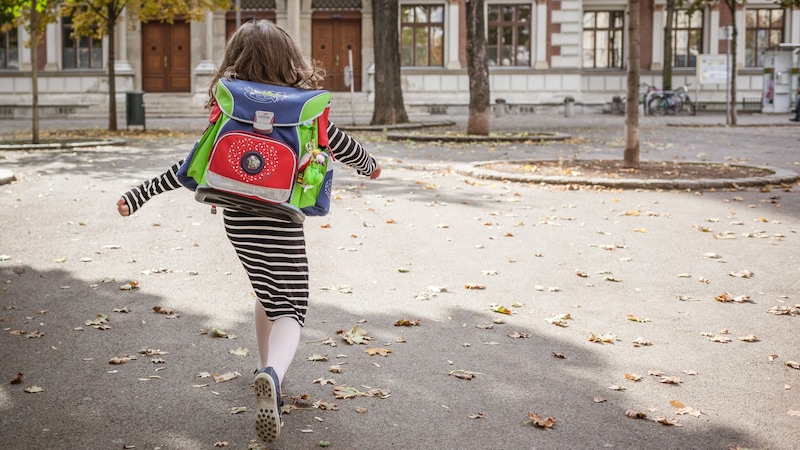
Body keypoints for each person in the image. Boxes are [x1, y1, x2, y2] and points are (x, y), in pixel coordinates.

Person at [115, 20, 381, 443]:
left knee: (265, 292)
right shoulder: (304, 108)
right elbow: (341, 144)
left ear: (235, 58)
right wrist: (370, 165)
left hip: (237, 220)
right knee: (291, 310)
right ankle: (273, 374)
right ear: (288, 59)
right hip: (283, 218)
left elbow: (191, 165)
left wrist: (140, 193)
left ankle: (265, 374)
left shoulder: (230, 106)